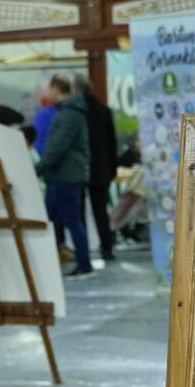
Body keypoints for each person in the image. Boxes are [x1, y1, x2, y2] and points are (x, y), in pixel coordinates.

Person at [35, 73, 95, 276]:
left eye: (49, 89)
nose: (47, 94)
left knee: (71, 221)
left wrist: (39, 168)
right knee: (53, 219)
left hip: (65, 177)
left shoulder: (69, 114)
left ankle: (84, 263)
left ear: (55, 89)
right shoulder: (68, 112)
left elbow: (58, 148)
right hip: (60, 176)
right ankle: (55, 259)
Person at [77, 74, 121, 267]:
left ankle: (83, 249)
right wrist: (112, 169)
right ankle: (107, 247)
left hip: (80, 168)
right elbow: (112, 143)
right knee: (100, 210)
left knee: (79, 212)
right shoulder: (104, 111)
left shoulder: (77, 112)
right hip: (101, 169)